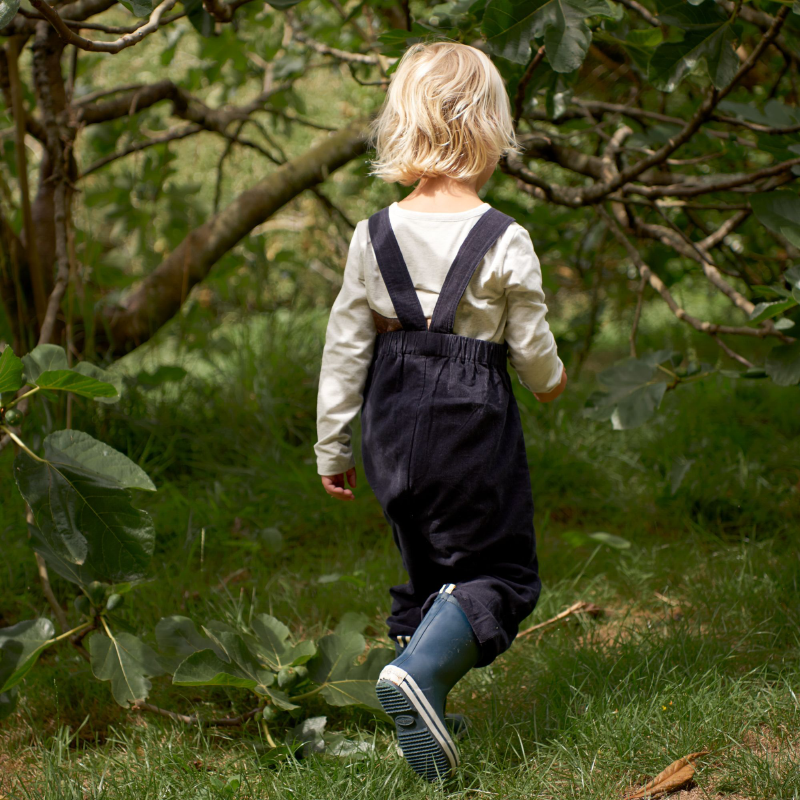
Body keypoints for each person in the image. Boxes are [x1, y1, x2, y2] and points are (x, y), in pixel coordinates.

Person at [314, 40, 567, 782]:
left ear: (404, 129)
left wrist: (332, 448)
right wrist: (550, 380)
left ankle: (424, 696)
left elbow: (344, 347)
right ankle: (420, 677)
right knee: (499, 573)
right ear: (489, 131)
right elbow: (532, 341)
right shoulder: (504, 238)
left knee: (429, 568)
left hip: (389, 430)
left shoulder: (373, 236)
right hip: (469, 427)